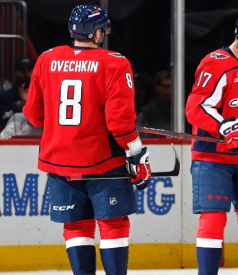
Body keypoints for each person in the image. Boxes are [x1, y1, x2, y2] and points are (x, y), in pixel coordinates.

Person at [23, 5, 152, 275]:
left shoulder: (46, 59)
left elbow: (34, 116)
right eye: (103, 29)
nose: (104, 34)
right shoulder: (115, 62)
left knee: (76, 225)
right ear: (95, 33)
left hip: (59, 161)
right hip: (102, 162)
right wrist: (138, 153)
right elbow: (119, 123)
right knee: (112, 223)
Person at [185, 11, 238, 275]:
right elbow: (196, 107)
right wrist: (226, 127)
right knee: (213, 220)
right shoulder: (216, 63)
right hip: (213, 159)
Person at [0, 57, 35, 127]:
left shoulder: (43, 94)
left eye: (29, 70)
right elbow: (2, 120)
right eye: (22, 71)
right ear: (15, 73)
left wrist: (29, 103)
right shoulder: (5, 97)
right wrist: (20, 104)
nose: (26, 74)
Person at [136, 70, 172, 137]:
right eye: (167, 86)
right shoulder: (147, 112)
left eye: (173, 86)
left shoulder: (181, 110)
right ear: (157, 87)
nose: (171, 90)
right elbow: (140, 138)